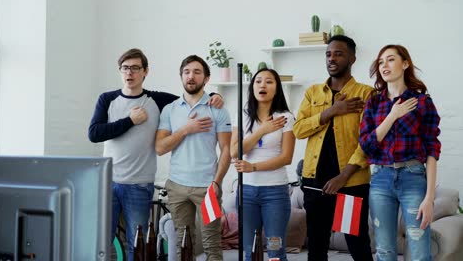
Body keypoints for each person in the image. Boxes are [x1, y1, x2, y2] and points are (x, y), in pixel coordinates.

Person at [88, 49, 223, 260]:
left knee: (139, 244)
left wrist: (214, 96)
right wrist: (129, 121)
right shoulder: (107, 99)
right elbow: (94, 134)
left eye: (135, 68)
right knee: (102, 243)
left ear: (145, 71)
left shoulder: (158, 101)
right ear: (120, 71)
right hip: (108, 183)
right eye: (125, 68)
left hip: (140, 185)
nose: (129, 73)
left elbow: (189, 97)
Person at [293, 35, 374, 261]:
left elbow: (369, 142)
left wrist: (342, 176)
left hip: (350, 184)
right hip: (314, 184)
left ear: (352, 58)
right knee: (317, 248)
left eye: (338, 53)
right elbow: (299, 129)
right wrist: (331, 111)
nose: (332, 58)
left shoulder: (366, 94)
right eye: (328, 54)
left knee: (357, 246)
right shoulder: (313, 93)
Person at [359, 44, 441, 261]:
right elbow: (366, 145)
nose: (384, 65)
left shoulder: (422, 102)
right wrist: (393, 115)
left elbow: (432, 150)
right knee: (384, 252)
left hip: (413, 178)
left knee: (420, 253)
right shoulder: (374, 102)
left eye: (391, 59)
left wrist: (429, 198)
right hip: (380, 180)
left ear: (405, 64)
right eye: (381, 61)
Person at [155, 55, 232, 261]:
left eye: (197, 72)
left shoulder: (218, 109)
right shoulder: (170, 110)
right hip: (177, 187)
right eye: (187, 72)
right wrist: (185, 129)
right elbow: (160, 148)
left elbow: (226, 150)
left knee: (211, 244)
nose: (191, 76)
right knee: (182, 244)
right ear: (181, 76)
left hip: (208, 188)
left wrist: (217, 182)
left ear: (206, 79)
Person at [231, 68, 295, 261]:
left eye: (269, 81)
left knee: (275, 249)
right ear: (252, 87)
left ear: (277, 88)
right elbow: (234, 151)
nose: (262, 85)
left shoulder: (285, 117)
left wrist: (254, 167)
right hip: (246, 192)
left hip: (275, 193)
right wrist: (261, 131)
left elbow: (286, 158)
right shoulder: (242, 115)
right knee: (251, 251)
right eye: (258, 81)